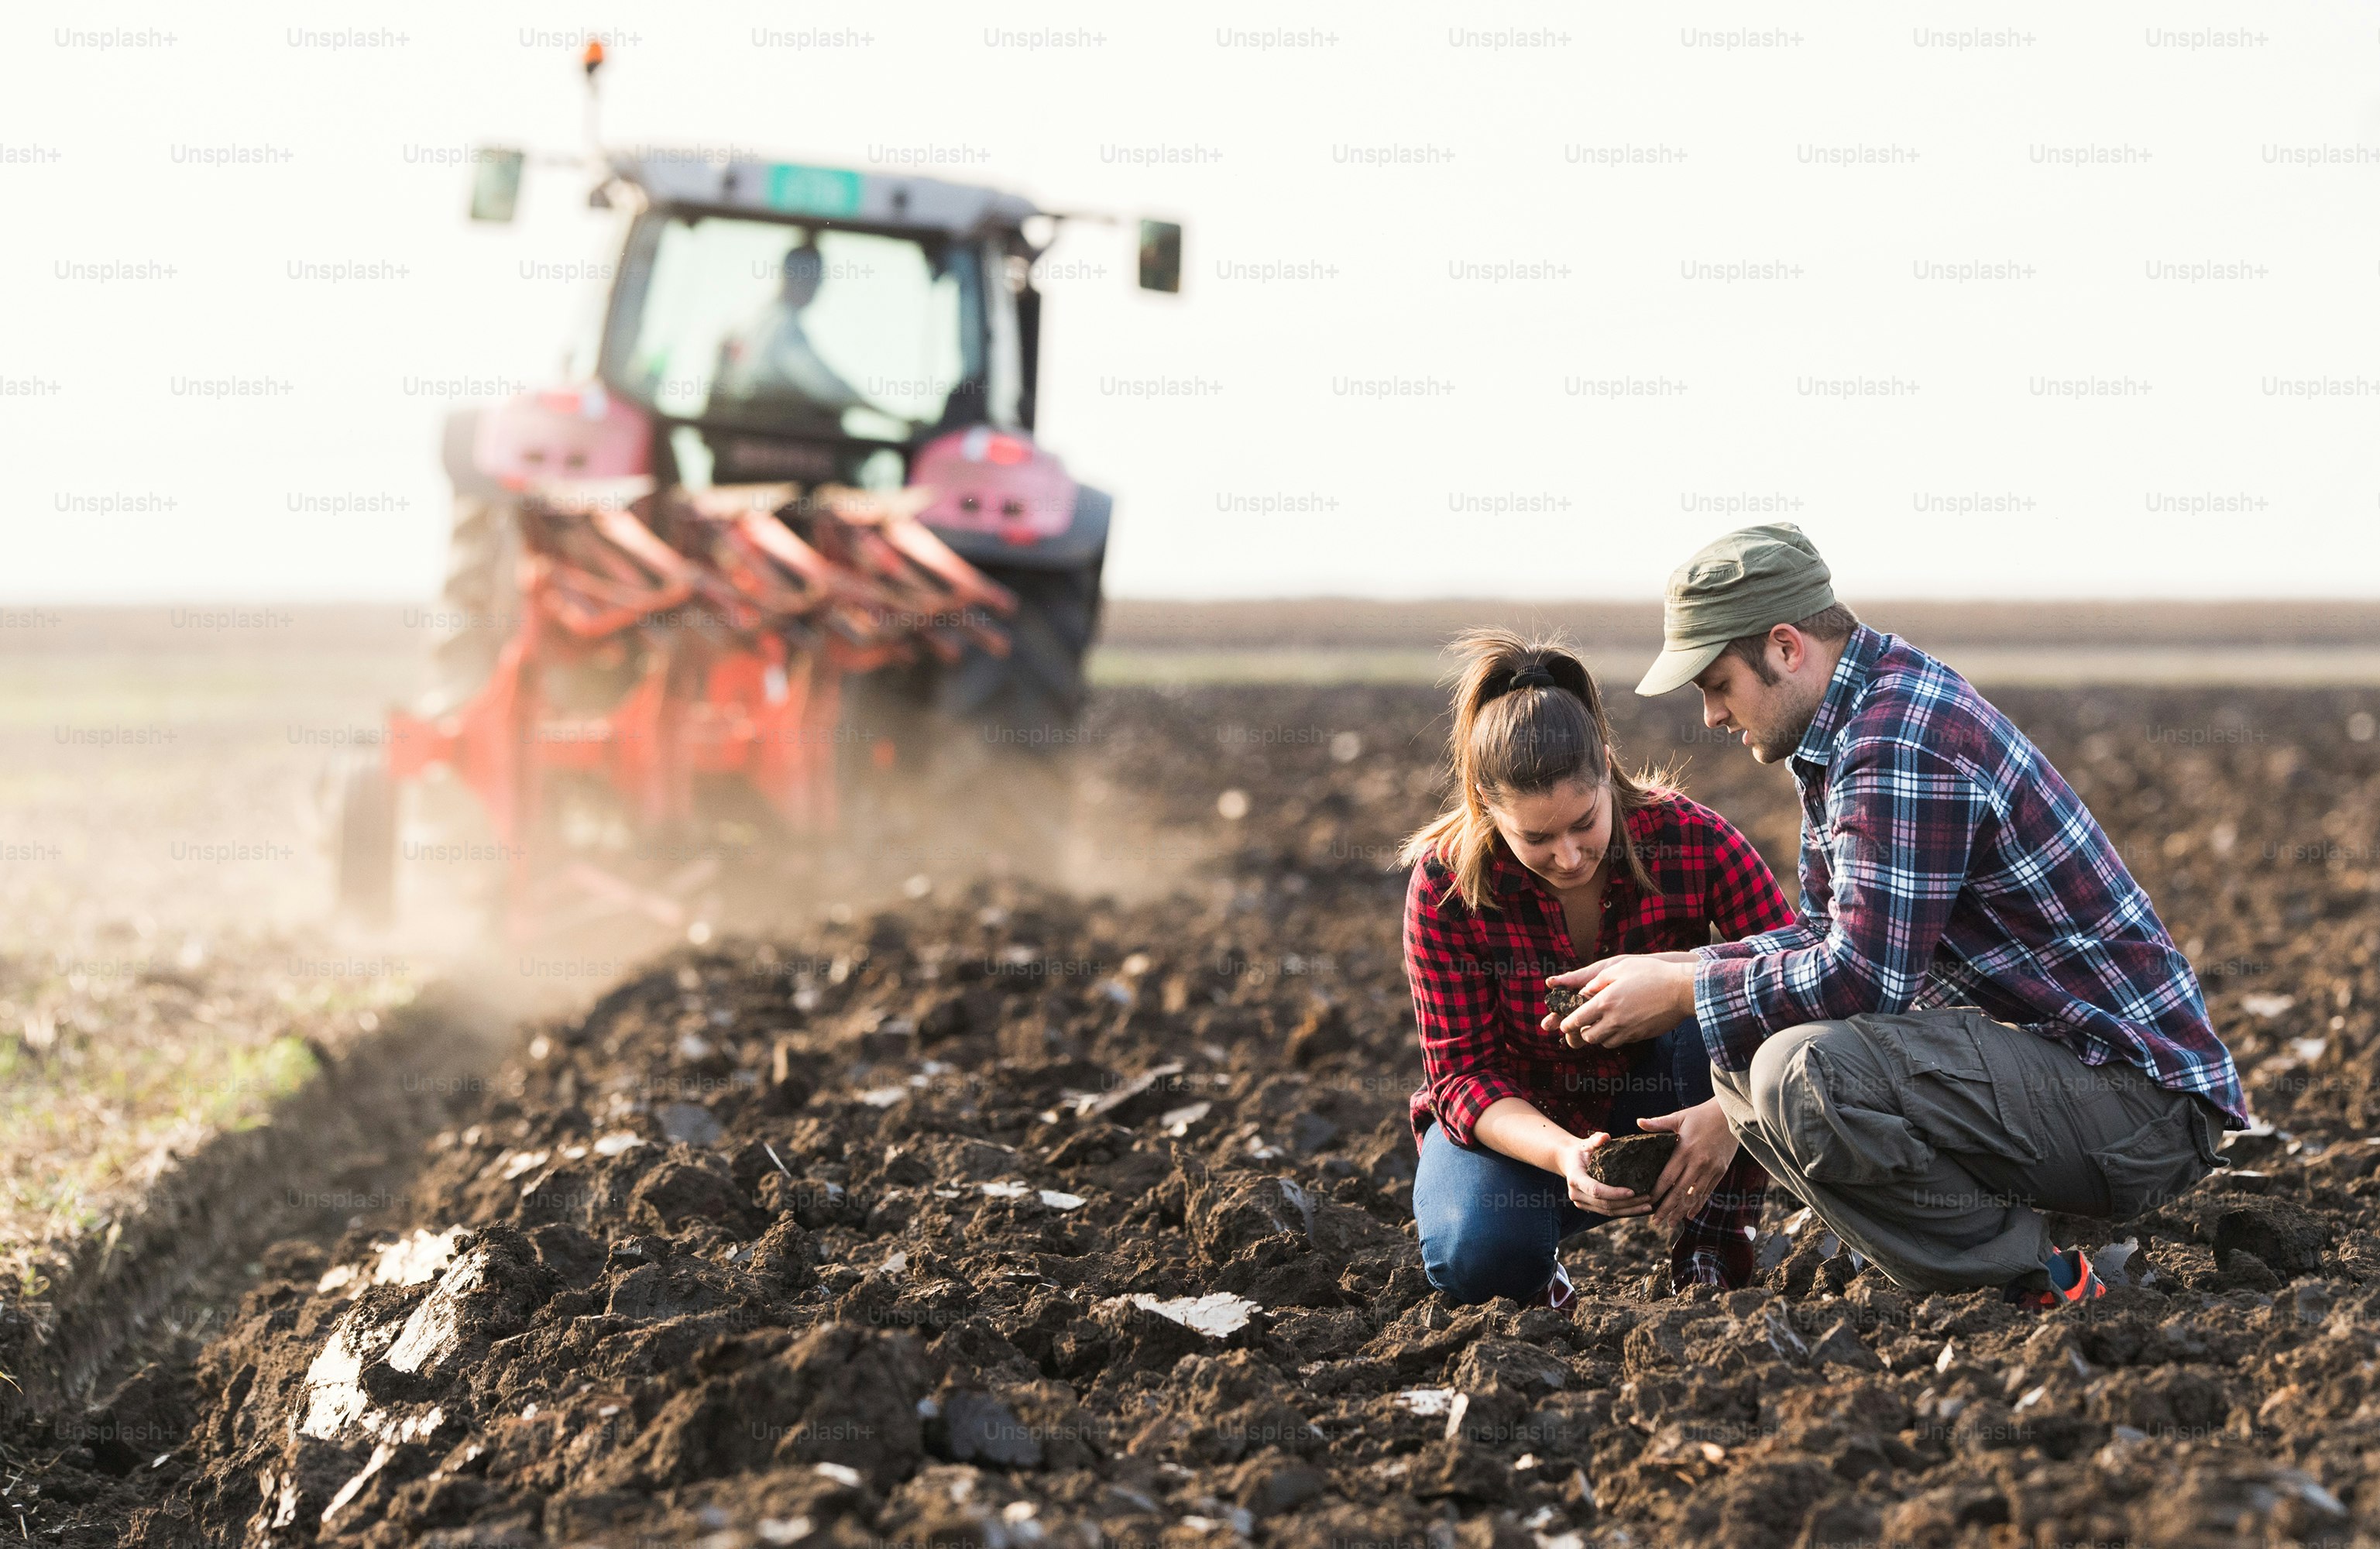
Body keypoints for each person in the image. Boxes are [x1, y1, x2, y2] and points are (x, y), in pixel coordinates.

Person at [1550, 524, 2241, 1304]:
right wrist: (1680, 966)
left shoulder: (1897, 740)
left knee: (1797, 1070)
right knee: (1747, 1051)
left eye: (1716, 683)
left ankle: (2042, 1279)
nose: (1710, 715)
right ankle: (2003, 1254)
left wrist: (1680, 993)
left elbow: (1860, 978)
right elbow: (1825, 934)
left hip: (2136, 1103)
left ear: (1785, 647)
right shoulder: (1848, 724)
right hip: (2067, 1081)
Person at [1401, 630, 1797, 1303]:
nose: (1568, 855)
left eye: (1584, 822)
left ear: (1607, 770)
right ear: (1484, 804)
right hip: (1524, 1121)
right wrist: (1564, 1155)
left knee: (1726, 993)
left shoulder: (1692, 840)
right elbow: (1461, 1075)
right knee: (1476, 1257)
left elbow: (1799, 975)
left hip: (1668, 1095)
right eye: (1535, 837)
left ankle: (1710, 1245)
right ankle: (1537, 1274)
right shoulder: (1445, 887)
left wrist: (1730, 1115)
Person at [713, 241, 867, 423]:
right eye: (816, 279)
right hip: (767, 432)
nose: (818, 288)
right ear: (796, 277)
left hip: (735, 429)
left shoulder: (745, 319)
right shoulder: (783, 326)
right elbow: (827, 387)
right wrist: (874, 409)